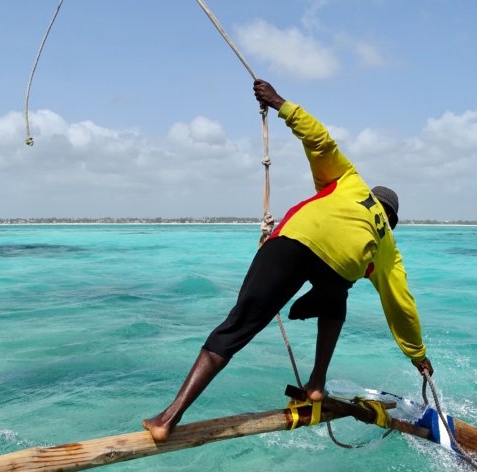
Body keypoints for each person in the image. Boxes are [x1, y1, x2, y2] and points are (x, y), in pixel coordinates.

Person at [142, 79, 433, 442]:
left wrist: (279, 102)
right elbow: (401, 305)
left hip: (296, 242)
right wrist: (417, 355)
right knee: (337, 299)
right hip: (338, 270)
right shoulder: (387, 244)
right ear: (392, 220)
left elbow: (320, 139)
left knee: (236, 328)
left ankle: (167, 418)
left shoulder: (350, 182)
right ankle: (316, 383)